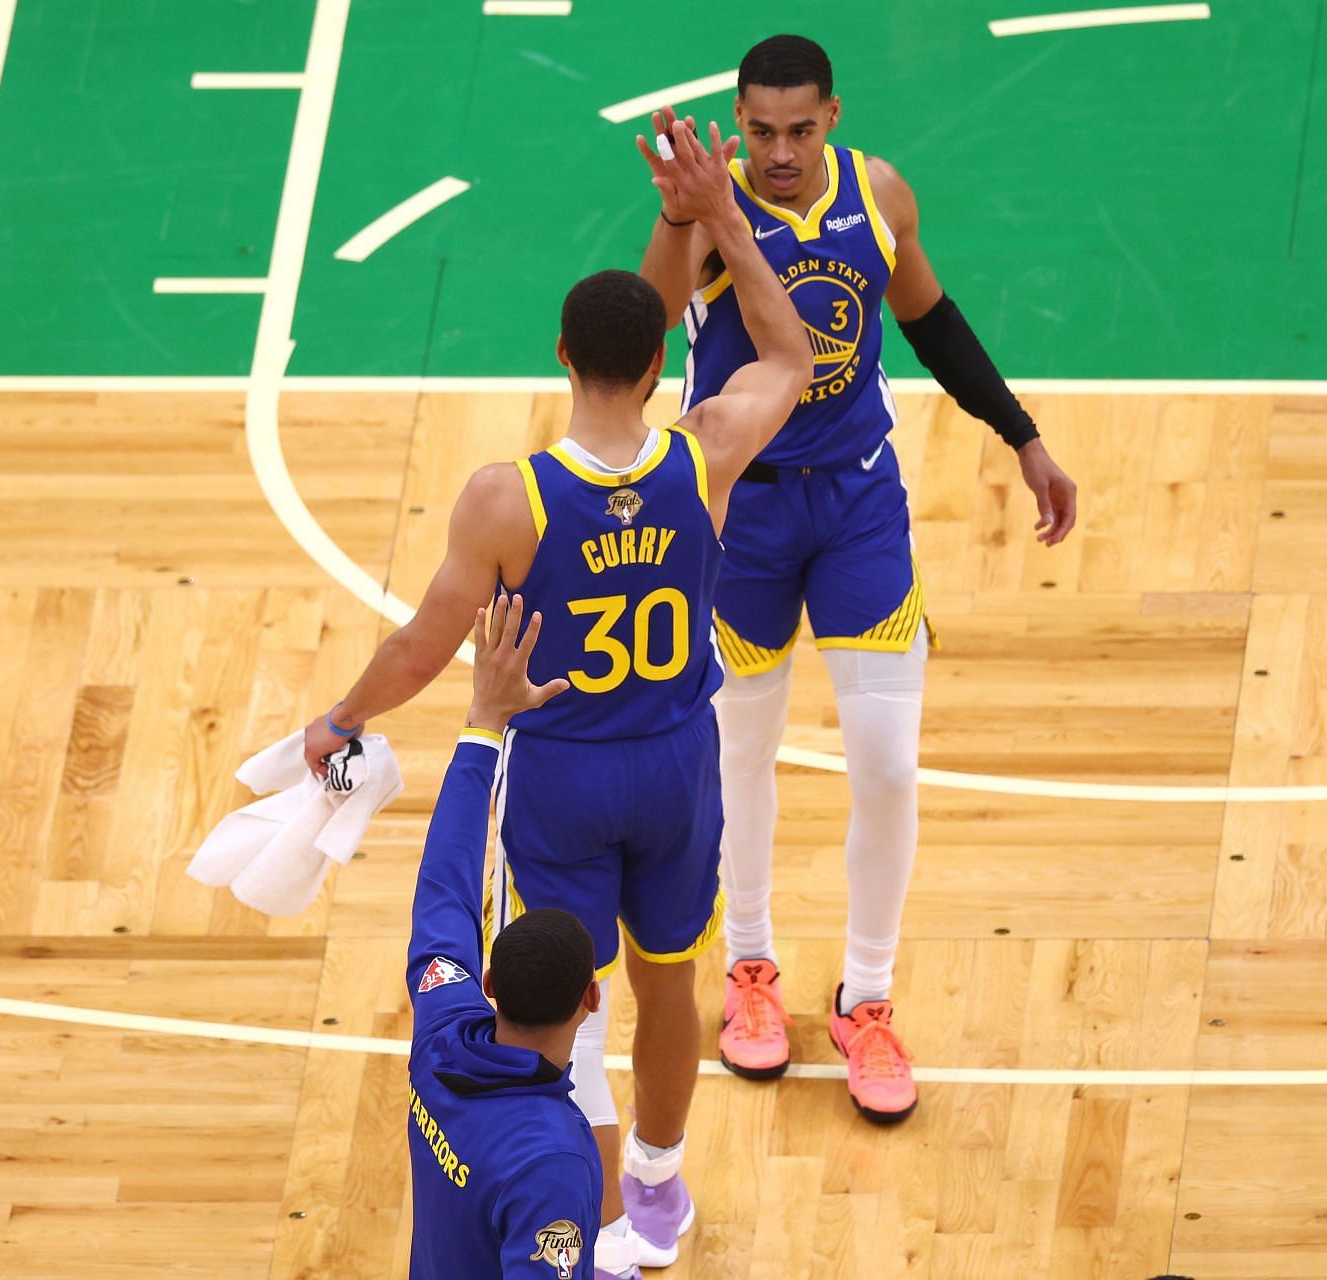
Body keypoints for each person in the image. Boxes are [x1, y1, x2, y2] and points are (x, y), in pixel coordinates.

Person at [304, 120, 811, 1277]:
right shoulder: (708, 450)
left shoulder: (507, 501)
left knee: (563, 1002)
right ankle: (661, 1187)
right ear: (655, 370)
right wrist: (720, 212)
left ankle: (586, 1231)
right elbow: (788, 356)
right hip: (678, 760)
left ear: (558, 353)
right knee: (670, 978)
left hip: (565, 773)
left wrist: (345, 718)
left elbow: (427, 645)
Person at [634, 34, 1080, 1125]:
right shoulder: (713, 205)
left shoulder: (876, 192)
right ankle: (749, 971)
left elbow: (929, 319)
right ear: (737, 123)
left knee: (884, 764)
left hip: (856, 501)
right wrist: (681, 210)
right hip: (738, 505)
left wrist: (1021, 435)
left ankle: (867, 999)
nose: (780, 151)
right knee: (736, 753)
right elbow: (644, 329)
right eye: (760, 131)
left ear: (832, 114)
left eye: (800, 128)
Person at [404, 593, 599, 1279]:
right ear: (592, 997)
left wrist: (486, 720)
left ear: (487, 986)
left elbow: (444, 886)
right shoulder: (553, 1161)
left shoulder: (443, 1033)